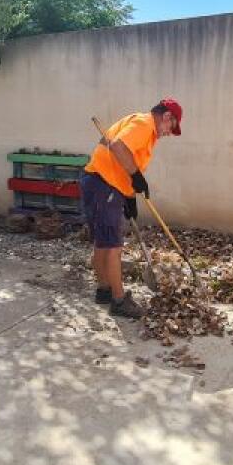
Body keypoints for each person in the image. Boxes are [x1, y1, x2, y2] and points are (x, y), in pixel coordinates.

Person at [80, 98, 183, 318]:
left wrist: (128, 196)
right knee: (113, 246)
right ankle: (118, 301)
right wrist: (136, 176)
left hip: (102, 184)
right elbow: (118, 146)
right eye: (171, 127)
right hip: (103, 185)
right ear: (166, 116)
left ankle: (104, 290)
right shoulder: (145, 124)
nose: (168, 133)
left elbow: (121, 159)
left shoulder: (141, 125)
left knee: (103, 242)